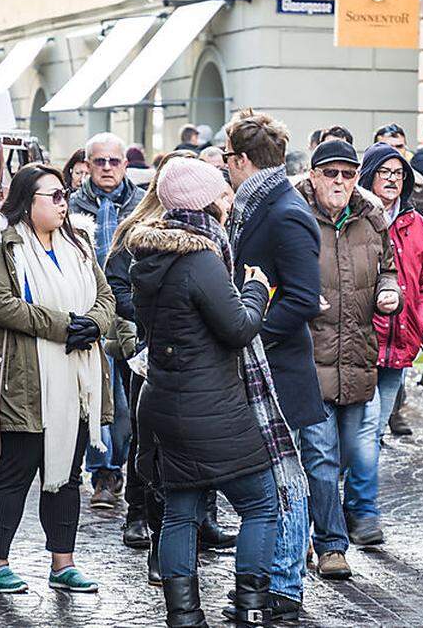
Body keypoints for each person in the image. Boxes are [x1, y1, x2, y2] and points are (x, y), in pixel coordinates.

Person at [129, 157, 286, 627]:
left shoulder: (149, 257)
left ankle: (184, 617)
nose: (229, 200)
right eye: (221, 193)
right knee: (261, 504)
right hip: (211, 406)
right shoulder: (199, 258)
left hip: (162, 401)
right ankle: (251, 607)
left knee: (181, 508)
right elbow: (238, 327)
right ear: (202, 204)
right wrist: (257, 289)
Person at [0, 164, 119, 596]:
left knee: (67, 473)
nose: (64, 202)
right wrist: (65, 326)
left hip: (75, 379)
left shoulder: (79, 241)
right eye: (54, 195)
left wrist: (94, 324)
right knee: (16, 469)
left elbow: (106, 296)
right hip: (20, 379)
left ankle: (62, 563)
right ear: (28, 202)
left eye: (65, 194)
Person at [223, 109, 323, 619]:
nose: (223, 168)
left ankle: (284, 585)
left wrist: (251, 333)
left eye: (226, 159)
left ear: (243, 160)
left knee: (286, 479)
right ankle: (273, 579)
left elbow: (305, 298)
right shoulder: (256, 205)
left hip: (279, 367)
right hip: (261, 365)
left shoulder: (284, 211)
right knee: (272, 478)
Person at [295, 138, 402, 577]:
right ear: (314, 175)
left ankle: (305, 528)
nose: (339, 181)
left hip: (357, 354)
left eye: (347, 173)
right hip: (309, 355)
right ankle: (331, 546)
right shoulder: (295, 214)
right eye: (330, 172)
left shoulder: (371, 217)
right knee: (319, 455)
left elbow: (388, 266)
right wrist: (298, 301)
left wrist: (388, 290)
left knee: (352, 454)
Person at [109, 150, 196, 583]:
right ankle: (138, 513)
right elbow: (117, 286)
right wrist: (150, 314)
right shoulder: (134, 232)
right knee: (146, 442)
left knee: (188, 445)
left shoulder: (204, 231)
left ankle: (197, 522)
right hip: (144, 350)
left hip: (190, 356)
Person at [69, 132, 144, 508]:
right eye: (100, 161)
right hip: (87, 311)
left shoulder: (142, 205)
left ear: (125, 164)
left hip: (129, 311)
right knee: (93, 395)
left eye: (114, 161)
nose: (107, 168)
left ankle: (118, 467)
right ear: (88, 164)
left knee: (126, 401)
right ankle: (101, 471)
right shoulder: (70, 205)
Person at [360, 141, 423, 439]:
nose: (393, 178)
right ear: (369, 175)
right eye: (385, 171)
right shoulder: (357, 220)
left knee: (377, 428)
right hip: (363, 340)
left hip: (402, 337)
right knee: (361, 429)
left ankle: (361, 479)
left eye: (399, 173)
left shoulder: (419, 226)